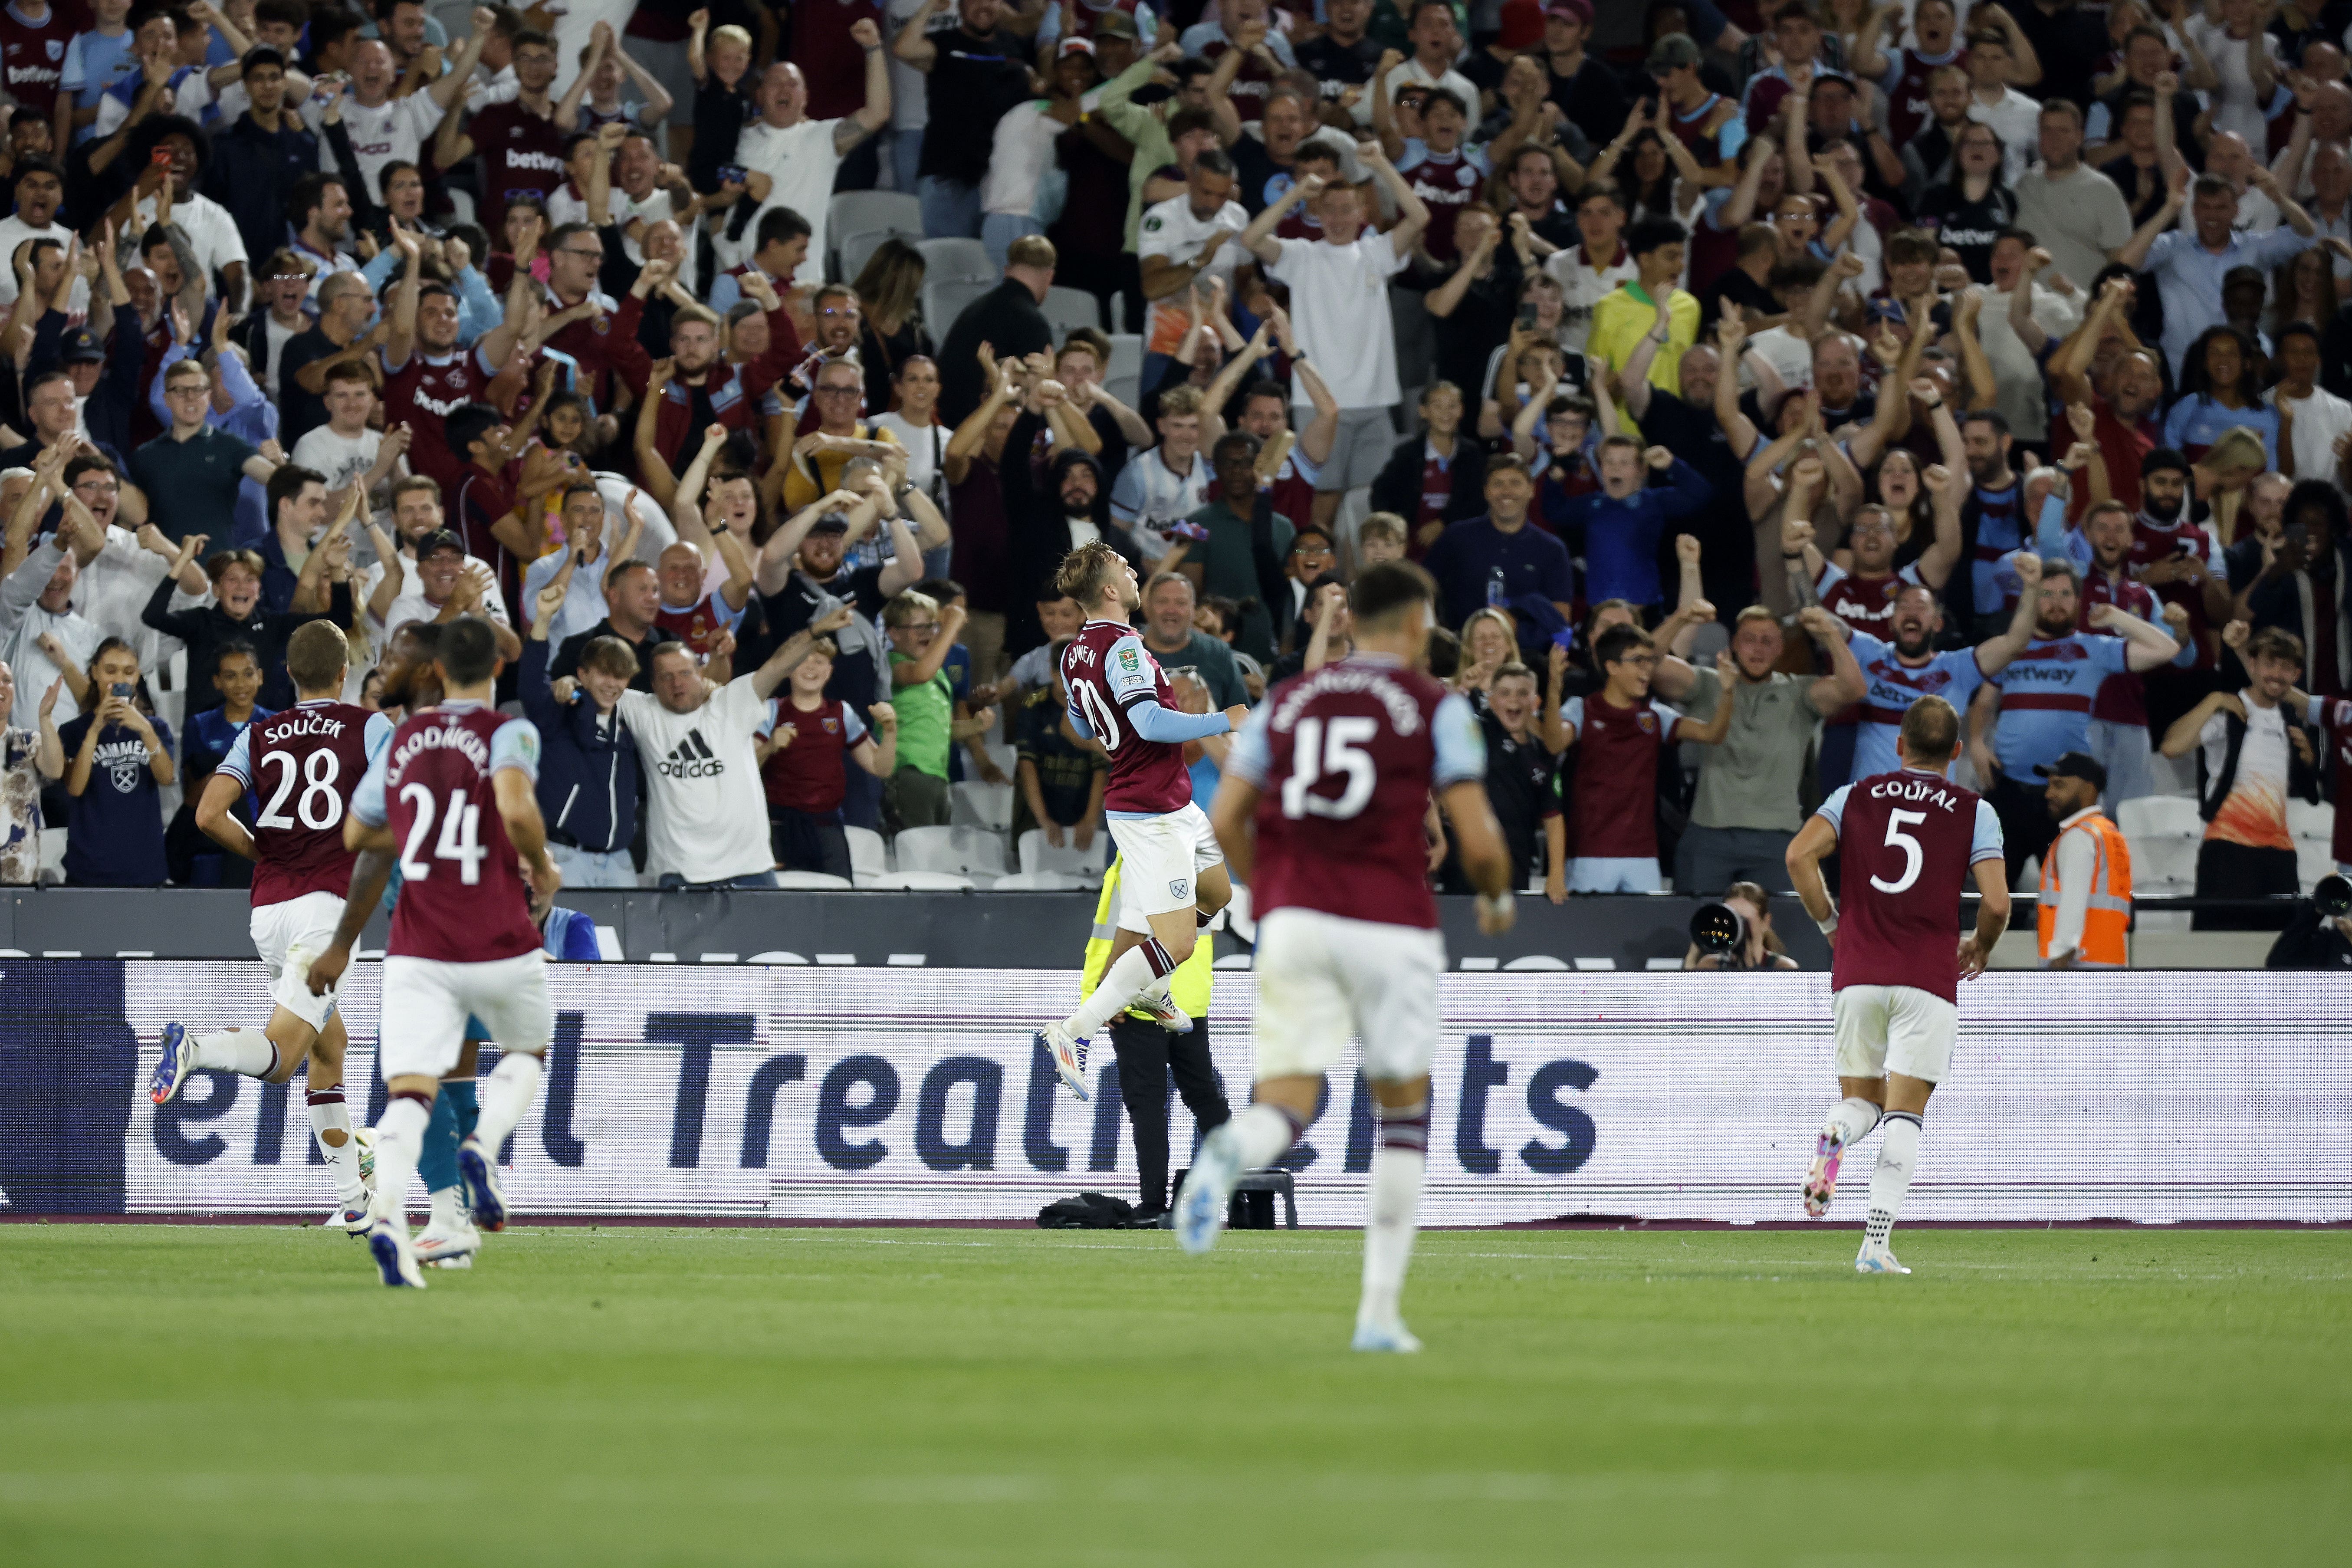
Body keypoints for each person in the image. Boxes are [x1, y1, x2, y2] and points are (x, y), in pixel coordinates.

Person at [1182, 560, 1514, 1352]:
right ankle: (1377, 1314)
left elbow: (1227, 818)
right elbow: (1478, 835)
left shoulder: (1284, 703)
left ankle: (1231, 1149)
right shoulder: (1435, 705)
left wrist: (1274, 892)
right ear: (1411, 624)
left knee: (1284, 1104)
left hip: (1294, 921)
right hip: (1389, 921)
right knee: (1401, 1115)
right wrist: (1497, 894)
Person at [305, 616, 558, 1289]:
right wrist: (541, 862)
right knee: (484, 1065)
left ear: (432, 670)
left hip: (424, 938)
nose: (385, 663)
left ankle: (422, 1214)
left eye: (397, 654)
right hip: (493, 930)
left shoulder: (402, 738)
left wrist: (342, 939)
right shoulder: (502, 734)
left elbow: (361, 840)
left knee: (419, 1082)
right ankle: (464, 1194)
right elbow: (511, 801)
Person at [150, 621, 392, 1230]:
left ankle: (354, 1201)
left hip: (269, 910)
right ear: (345, 672)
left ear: (286, 674)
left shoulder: (260, 732)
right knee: (285, 1060)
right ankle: (196, 1049)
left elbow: (208, 814)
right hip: (326, 910)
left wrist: (263, 851)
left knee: (328, 1047)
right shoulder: (372, 727)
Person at [1785, 694, 2008, 1275]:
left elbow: (1798, 856)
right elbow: (1997, 902)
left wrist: (1832, 926)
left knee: (1861, 1101)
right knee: (1905, 1116)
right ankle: (1874, 1246)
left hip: (1857, 973)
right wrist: (1981, 945)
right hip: (1927, 980)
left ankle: (1836, 1131)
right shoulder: (1974, 810)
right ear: (1957, 751)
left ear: (1900, 746)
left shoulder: (1853, 796)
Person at [1033, 540, 1248, 1097]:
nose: (1136, 576)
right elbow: (1151, 724)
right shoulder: (1124, 650)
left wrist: (1121, 736)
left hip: (1168, 800)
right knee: (1176, 943)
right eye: (1127, 570)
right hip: (1150, 810)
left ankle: (1150, 986)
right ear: (1109, 589)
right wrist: (1220, 719)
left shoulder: (1073, 652)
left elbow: (1083, 726)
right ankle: (1074, 1030)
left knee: (1219, 894)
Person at [1232, 139, 1430, 533]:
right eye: (1329, 210)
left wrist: (1380, 166)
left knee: (1372, 510)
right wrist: (1296, 194)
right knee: (1319, 505)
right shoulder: (1301, 256)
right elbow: (1251, 239)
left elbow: (1419, 217)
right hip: (1317, 404)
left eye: (1347, 209)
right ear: (1317, 213)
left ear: (1362, 212)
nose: (1338, 217)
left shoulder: (1377, 252)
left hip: (1374, 403)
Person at [1973, 557, 2179, 884]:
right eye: (2047, 594)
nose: (2057, 603)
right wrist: (1975, 743)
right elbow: (1983, 704)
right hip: (2006, 790)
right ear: (2034, 599)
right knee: (1991, 901)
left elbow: (2166, 649)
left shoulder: (2093, 649)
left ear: (2079, 601)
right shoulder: (2013, 648)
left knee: (2068, 896)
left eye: (2065, 594)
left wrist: (2116, 615)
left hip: (2065, 795)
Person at [618, 607, 855, 890]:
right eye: (666, 677)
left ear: (700, 673)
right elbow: (597, 687)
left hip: (749, 868)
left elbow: (779, 664)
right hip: (679, 871)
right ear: (653, 684)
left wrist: (816, 631)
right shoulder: (643, 710)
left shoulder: (733, 701)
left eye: (684, 672)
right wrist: (570, 686)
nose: (677, 682)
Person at [1678, 605, 1866, 894]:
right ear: (1735, 645)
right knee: (1701, 929)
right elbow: (1652, 667)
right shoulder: (1709, 683)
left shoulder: (1799, 693)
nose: (1758, 649)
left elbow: (1854, 689)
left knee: (1780, 932)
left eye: (1768, 641)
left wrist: (1829, 634)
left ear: (1780, 649)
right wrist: (1682, 618)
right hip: (1709, 833)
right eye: (1750, 639)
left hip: (1778, 837)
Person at [1560, 623, 1733, 892]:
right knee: (1587, 933)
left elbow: (1712, 734)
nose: (1648, 669)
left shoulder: (1655, 716)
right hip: (1589, 853)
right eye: (1638, 661)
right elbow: (1553, 742)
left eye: (1650, 661)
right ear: (1612, 667)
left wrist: (1728, 693)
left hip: (1643, 855)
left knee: (1643, 932)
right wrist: (1550, 690)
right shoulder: (1582, 710)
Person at [2161, 625, 2309, 931]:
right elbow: (2171, 747)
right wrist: (2213, 700)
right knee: (2217, 957)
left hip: (2280, 857)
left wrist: (2308, 758)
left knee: (2282, 960)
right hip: (2227, 852)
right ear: (2251, 664)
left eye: (2286, 668)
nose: (2277, 675)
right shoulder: (2228, 710)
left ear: (2296, 675)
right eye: (2270, 663)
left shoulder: (2293, 719)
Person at [521, 580, 642, 890]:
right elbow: (531, 686)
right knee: (564, 939)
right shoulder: (558, 713)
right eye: (604, 673)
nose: (612, 684)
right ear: (583, 674)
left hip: (620, 863)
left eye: (620, 675)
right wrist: (543, 620)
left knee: (628, 942)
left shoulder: (631, 722)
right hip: (567, 859)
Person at [758, 634, 899, 879]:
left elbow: (880, 768)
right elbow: (745, 766)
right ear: (789, 669)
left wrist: (890, 731)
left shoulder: (842, 712)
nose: (811, 667)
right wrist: (769, 747)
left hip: (828, 828)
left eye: (820, 661)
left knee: (837, 904)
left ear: (830, 671)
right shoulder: (771, 710)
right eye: (803, 660)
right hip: (780, 828)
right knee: (778, 906)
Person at [56, 636, 172, 885]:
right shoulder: (73, 731)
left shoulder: (155, 728)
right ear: (94, 672)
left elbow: (167, 777)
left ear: (138, 676)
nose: (119, 680)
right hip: (89, 868)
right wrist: (96, 728)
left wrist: (146, 731)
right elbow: (75, 788)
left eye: (128, 672)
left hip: (145, 867)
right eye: (110, 671)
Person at [2035, 750, 2132, 969]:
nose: (2049, 794)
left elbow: (2073, 901)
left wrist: (2059, 956)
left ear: (2089, 789)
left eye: (2059, 786)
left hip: (2075, 972)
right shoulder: (2110, 834)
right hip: (2110, 966)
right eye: (2050, 785)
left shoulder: (2079, 836)